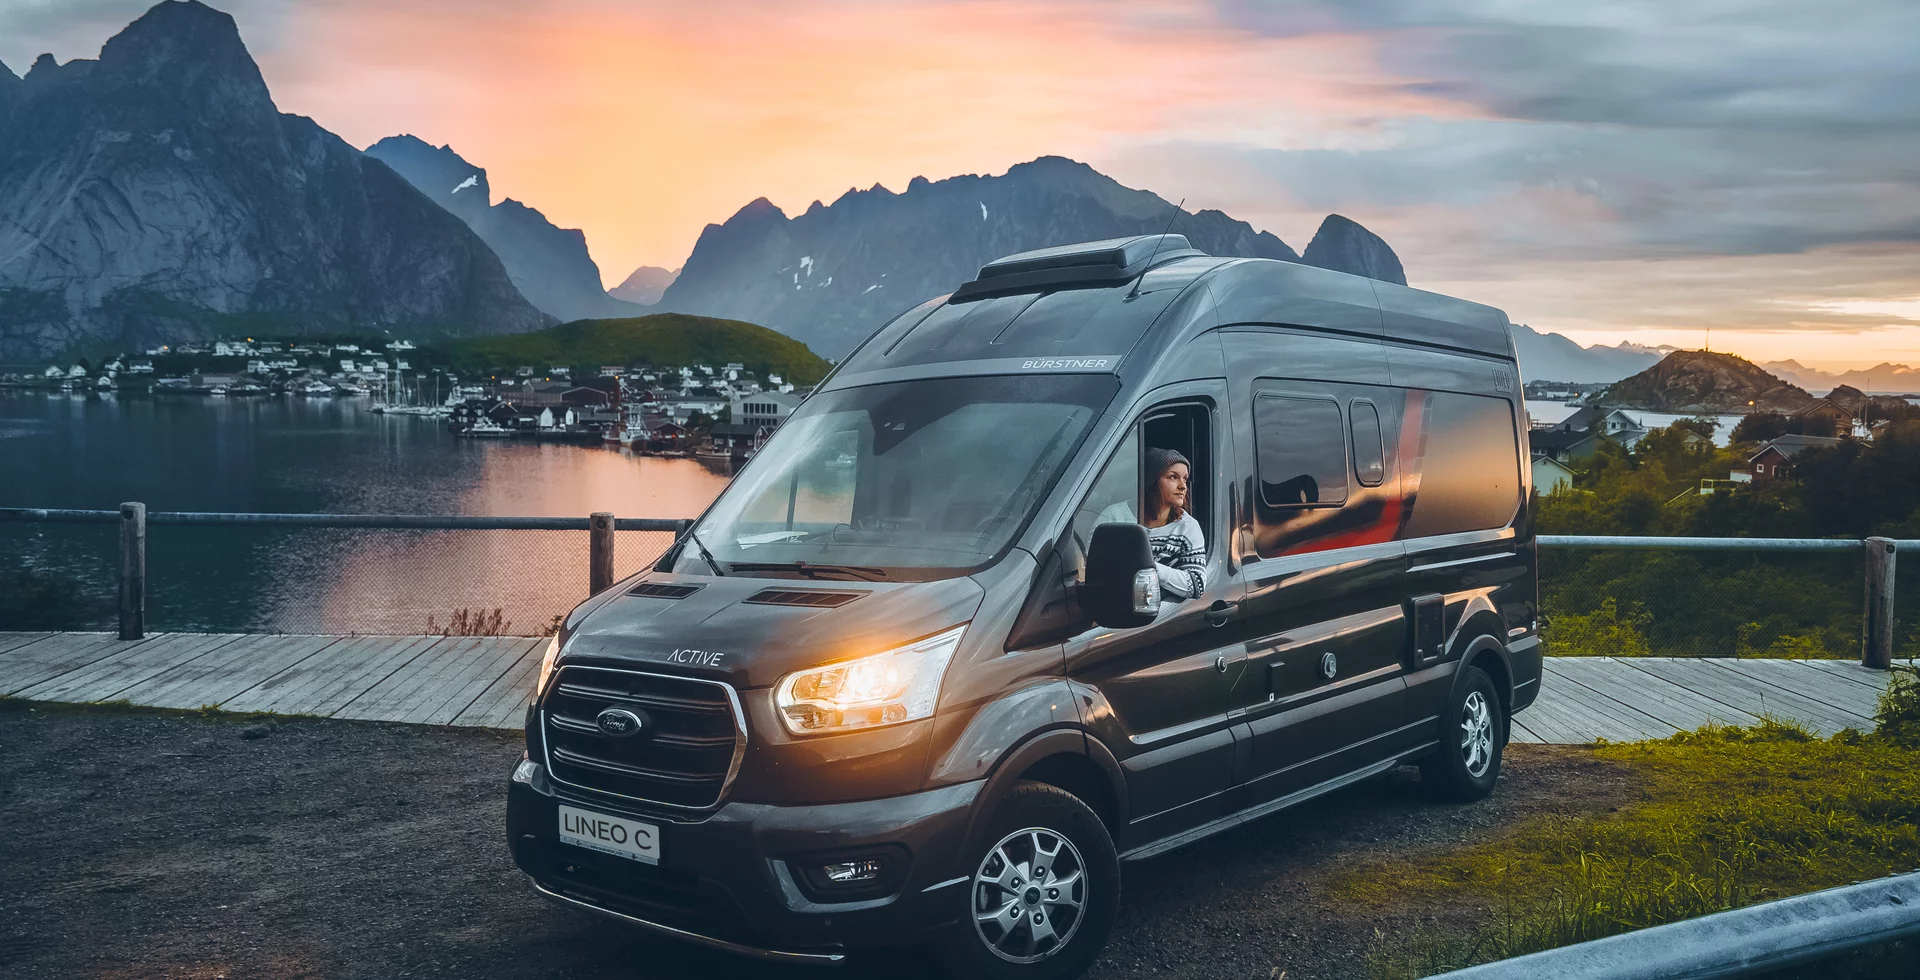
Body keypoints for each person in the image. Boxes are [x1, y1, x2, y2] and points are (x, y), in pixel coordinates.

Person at [1096, 447, 1208, 600]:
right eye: (1173, 477)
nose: (1183, 486)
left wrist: (1147, 566)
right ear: (1151, 480)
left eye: (1185, 479)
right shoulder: (1113, 516)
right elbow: (1095, 572)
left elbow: (1196, 585)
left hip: (1165, 617)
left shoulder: (1188, 527)